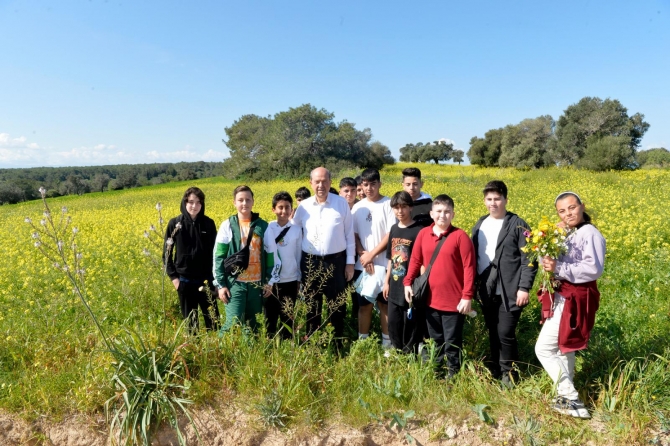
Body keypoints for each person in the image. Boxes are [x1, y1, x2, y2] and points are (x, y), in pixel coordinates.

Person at [536, 192, 605, 419]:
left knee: (544, 348)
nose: (568, 214)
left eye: (572, 208)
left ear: (582, 207)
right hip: (563, 295)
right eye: (562, 211)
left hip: (574, 297)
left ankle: (570, 396)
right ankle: (566, 399)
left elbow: (593, 269)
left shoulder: (589, 233)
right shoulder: (567, 232)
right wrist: (548, 239)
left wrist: (558, 269)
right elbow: (547, 263)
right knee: (564, 347)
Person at [471, 181, 537, 386]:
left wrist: (524, 288)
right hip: (486, 289)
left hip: (511, 290)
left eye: (497, 199)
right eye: (489, 199)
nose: (493, 203)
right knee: (493, 330)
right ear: (484, 201)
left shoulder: (518, 224)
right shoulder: (480, 224)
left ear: (506, 200)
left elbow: (530, 259)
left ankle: (509, 374)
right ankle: (496, 368)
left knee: (505, 333)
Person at [403, 194, 476, 377]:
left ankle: (454, 375)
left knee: (452, 341)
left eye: (447, 212)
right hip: (430, 299)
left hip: (453, 302)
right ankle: (437, 372)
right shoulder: (423, 234)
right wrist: (407, 282)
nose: (442, 215)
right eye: (439, 211)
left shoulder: (460, 236)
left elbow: (469, 268)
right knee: (435, 340)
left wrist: (467, 296)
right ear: (431, 213)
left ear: (453, 214)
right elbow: (415, 260)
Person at [291, 167, 355, 340]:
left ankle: (336, 341)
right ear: (311, 183)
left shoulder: (341, 203)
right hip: (310, 263)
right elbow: (293, 232)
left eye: (324, 181)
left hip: (337, 262)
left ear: (330, 182)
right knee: (312, 304)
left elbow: (349, 234)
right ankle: (312, 340)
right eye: (317, 181)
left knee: (337, 305)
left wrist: (350, 263)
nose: (321, 185)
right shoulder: (303, 207)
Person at [213, 185, 280, 333]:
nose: (244, 203)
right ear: (234, 203)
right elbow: (218, 257)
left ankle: (249, 355)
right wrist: (221, 285)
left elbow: (272, 256)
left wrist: (269, 281)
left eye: (247, 199)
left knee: (253, 325)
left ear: (253, 202)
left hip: (256, 284)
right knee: (232, 324)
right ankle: (221, 353)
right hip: (234, 283)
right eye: (240, 200)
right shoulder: (228, 225)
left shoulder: (263, 226)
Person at [164, 187, 220, 333]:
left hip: (206, 281)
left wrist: (216, 281)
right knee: (191, 326)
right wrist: (175, 279)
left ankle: (216, 352)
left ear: (202, 204)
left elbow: (216, 253)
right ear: (185, 202)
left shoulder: (208, 223)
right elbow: (166, 254)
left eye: (198, 202)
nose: (194, 206)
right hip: (185, 281)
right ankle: (194, 352)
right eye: (191, 202)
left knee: (214, 323)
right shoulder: (175, 224)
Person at [352, 168, 396, 347]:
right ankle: (363, 342)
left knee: (384, 306)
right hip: (362, 265)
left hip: (384, 265)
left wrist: (372, 255)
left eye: (373, 184)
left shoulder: (388, 204)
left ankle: (387, 343)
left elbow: (390, 234)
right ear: (361, 186)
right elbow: (353, 235)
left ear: (379, 184)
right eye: (365, 184)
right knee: (364, 306)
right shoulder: (358, 206)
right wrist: (363, 254)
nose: (369, 188)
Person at [383, 191, 424, 353]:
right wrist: (386, 282)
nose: (400, 211)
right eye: (396, 207)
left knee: (410, 322)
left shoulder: (419, 230)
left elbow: (421, 261)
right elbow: (390, 259)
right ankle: (397, 349)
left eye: (404, 207)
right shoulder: (393, 229)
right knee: (394, 321)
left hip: (410, 285)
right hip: (394, 283)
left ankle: (410, 352)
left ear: (411, 208)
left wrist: (419, 285)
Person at [264, 192, 302, 339]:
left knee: (288, 316)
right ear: (273, 209)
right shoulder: (267, 228)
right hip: (271, 282)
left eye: (287, 207)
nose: (284, 211)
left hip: (290, 279)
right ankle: (270, 345)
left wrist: (299, 279)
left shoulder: (297, 230)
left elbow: (298, 256)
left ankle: (287, 346)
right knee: (270, 317)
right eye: (280, 207)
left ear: (292, 210)